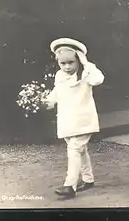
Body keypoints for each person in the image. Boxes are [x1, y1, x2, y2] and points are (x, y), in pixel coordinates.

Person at [43, 38, 105, 199]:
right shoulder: (60, 75)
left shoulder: (87, 74)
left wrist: (86, 63)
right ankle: (88, 179)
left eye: (71, 62)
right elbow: (57, 92)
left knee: (74, 150)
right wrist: (47, 102)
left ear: (78, 60)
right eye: (63, 63)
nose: (67, 67)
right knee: (80, 150)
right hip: (66, 120)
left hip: (83, 119)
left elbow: (98, 79)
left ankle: (70, 185)